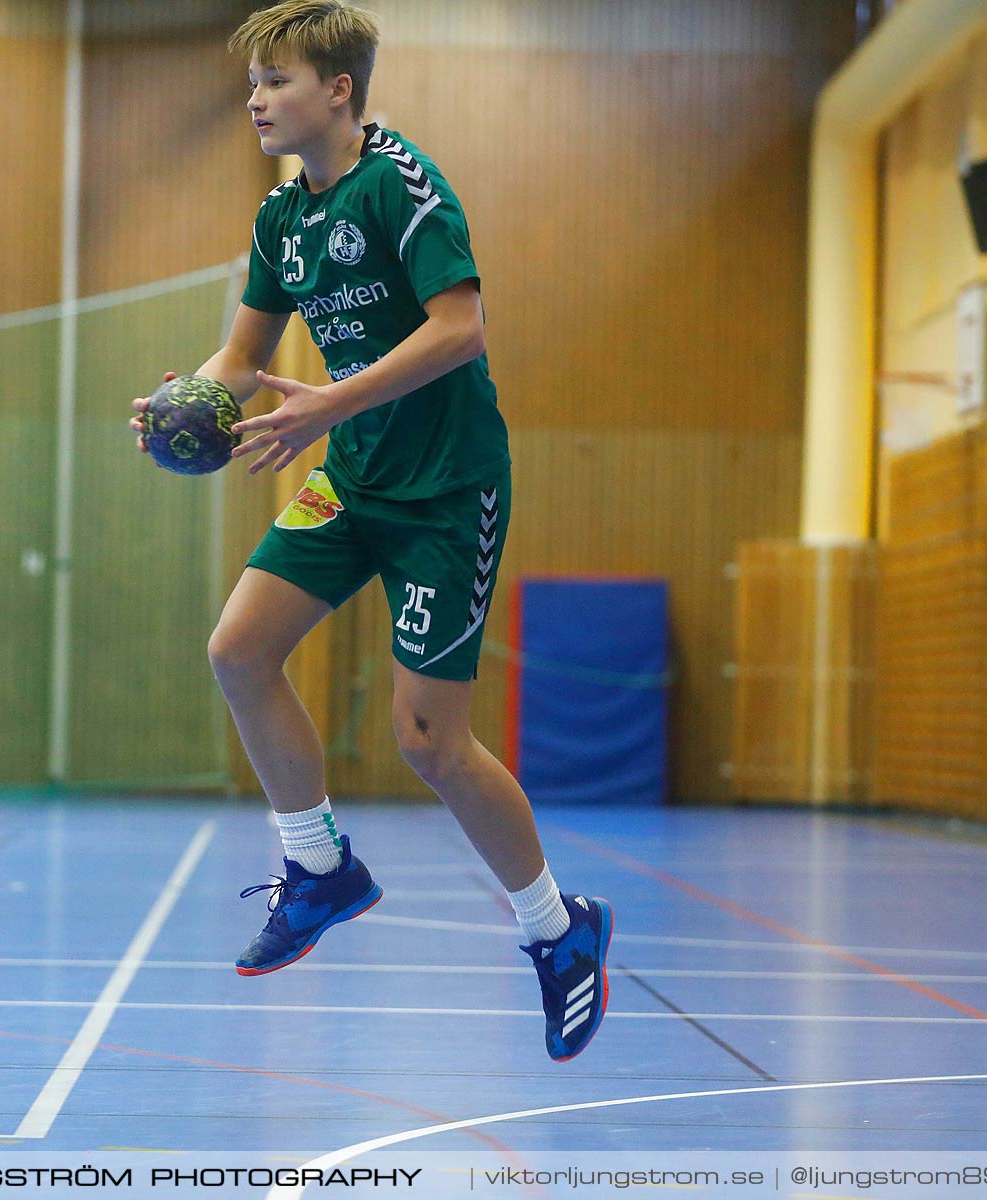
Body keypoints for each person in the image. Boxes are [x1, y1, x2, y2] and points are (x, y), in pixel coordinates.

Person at [129, 0, 611, 1062]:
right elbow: (243, 356)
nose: (257, 98)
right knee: (239, 650)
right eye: (253, 82)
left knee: (430, 743)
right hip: (351, 476)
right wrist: (183, 405)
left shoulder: (404, 185)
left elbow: (459, 329)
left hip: (446, 490)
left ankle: (558, 930)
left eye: (279, 80)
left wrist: (327, 406)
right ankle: (320, 867)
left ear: (338, 90)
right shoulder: (280, 218)